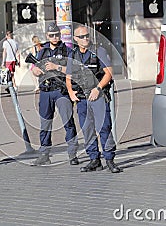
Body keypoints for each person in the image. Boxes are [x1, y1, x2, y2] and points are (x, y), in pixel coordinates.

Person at [66, 25, 121, 173]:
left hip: (97, 96)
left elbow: (109, 73)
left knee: (104, 128)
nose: (85, 39)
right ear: (75, 39)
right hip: (82, 99)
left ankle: (109, 160)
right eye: (82, 37)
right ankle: (94, 160)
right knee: (87, 129)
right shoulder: (73, 55)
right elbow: (68, 76)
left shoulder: (99, 51)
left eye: (87, 36)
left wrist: (98, 89)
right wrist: (71, 92)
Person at [30, 22, 79, 166]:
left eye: (57, 34)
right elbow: (34, 68)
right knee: (45, 124)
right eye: (51, 35)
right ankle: (44, 154)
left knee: (68, 122)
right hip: (46, 91)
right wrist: (36, 71)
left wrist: (56, 67)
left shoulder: (67, 50)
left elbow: (73, 69)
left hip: (61, 91)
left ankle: (72, 154)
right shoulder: (42, 51)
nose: (55, 37)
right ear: (47, 36)